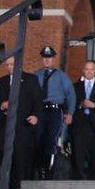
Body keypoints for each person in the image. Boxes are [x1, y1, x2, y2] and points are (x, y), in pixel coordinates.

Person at [0, 56, 43, 189]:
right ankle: (5, 181)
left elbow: (38, 100)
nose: (9, 67)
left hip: (22, 124)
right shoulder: (2, 81)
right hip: (4, 124)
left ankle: (13, 184)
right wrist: (2, 105)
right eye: (7, 65)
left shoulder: (31, 80)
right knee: (2, 152)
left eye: (12, 64)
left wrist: (35, 115)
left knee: (18, 154)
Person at [33, 46, 76, 179]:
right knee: (37, 138)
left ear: (53, 59)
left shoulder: (61, 76)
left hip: (54, 110)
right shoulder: (36, 75)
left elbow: (71, 95)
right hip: (39, 110)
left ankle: (48, 169)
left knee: (51, 139)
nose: (47, 61)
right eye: (45, 58)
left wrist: (70, 113)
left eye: (49, 58)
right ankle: (39, 167)